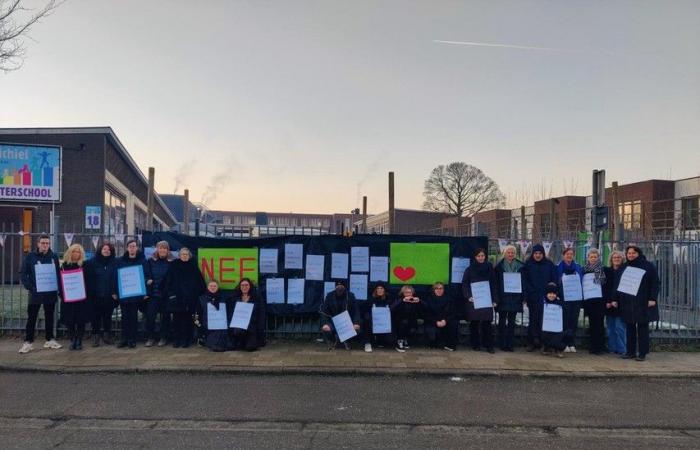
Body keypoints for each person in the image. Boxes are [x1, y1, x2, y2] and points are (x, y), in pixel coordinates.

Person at [19, 234, 62, 354]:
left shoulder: (53, 257)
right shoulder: (30, 257)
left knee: (49, 317)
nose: (45, 245)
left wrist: (58, 287)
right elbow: (23, 273)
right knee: (32, 317)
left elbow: (58, 273)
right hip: (35, 293)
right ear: (38, 244)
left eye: (47, 243)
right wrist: (30, 287)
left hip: (50, 292)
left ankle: (49, 339)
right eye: (43, 243)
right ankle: (28, 342)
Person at [617, 245, 660, 361]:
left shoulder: (648, 266)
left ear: (638, 254)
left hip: (643, 302)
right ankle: (630, 352)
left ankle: (642, 353)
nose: (630, 255)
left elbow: (655, 283)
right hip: (628, 302)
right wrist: (616, 299)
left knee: (642, 328)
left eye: (633, 253)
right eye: (629, 253)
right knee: (629, 328)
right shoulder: (624, 267)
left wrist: (653, 298)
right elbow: (618, 283)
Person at [163, 247, 206, 348]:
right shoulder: (174, 265)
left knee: (188, 320)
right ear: (179, 255)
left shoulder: (193, 266)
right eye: (182, 254)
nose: (184, 256)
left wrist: (195, 295)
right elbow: (168, 281)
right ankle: (176, 340)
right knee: (177, 320)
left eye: (186, 254)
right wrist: (171, 295)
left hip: (190, 299)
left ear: (189, 255)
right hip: (177, 298)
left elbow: (200, 283)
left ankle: (187, 340)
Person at [113, 239, 151, 349]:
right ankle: (124, 338)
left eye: (134, 246)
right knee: (124, 317)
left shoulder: (142, 261)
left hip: (136, 294)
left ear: (137, 248)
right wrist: (115, 291)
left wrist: (146, 291)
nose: (132, 248)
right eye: (130, 246)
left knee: (133, 317)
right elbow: (116, 277)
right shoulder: (120, 261)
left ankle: (132, 339)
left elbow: (147, 275)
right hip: (124, 294)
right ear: (127, 248)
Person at [523, 243, 557, 352]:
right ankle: (531, 342)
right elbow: (524, 281)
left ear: (543, 254)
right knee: (533, 319)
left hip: (546, 297)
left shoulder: (549, 264)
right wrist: (529, 292)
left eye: (540, 253)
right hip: (533, 296)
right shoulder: (528, 265)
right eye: (536, 253)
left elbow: (553, 280)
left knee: (545, 320)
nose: (538, 255)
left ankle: (544, 343)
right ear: (533, 254)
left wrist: (550, 293)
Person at [462, 248, 497, 353]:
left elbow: (494, 284)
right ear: (475, 257)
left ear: (485, 256)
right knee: (474, 323)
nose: (481, 258)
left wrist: (495, 299)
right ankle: (475, 344)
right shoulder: (469, 269)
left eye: (482, 256)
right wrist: (468, 296)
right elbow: (465, 284)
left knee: (487, 323)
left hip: (487, 299)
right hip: (474, 299)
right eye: (478, 256)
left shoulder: (490, 268)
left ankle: (488, 345)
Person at [59, 244, 91, 350]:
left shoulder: (85, 266)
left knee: (80, 320)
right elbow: (60, 281)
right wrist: (62, 294)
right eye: (74, 251)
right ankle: (72, 339)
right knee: (69, 320)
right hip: (68, 298)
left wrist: (86, 293)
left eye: (78, 252)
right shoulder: (64, 266)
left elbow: (88, 281)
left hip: (81, 298)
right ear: (69, 252)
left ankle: (79, 340)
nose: (76, 254)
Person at [494, 245, 525, 352]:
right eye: (509, 252)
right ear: (505, 253)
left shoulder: (521, 266)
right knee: (502, 321)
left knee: (512, 322)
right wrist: (496, 298)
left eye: (512, 253)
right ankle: (502, 343)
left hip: (515, 297)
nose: (511, 254)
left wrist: (523, 296)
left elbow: (524, 282)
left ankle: (510, 344)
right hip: (503, 297)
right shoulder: (499, 267)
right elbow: (496, 283)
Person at [87, 242, 117, 346]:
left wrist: (115, 292)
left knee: (107, 316)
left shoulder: (114, 262)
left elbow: (116, 278)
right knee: (96, 317)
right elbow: (89, 278)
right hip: (96, 295)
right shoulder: (92, 262)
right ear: (100, 250)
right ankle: (96, 336)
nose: (106, 251)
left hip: (110, 295)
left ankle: (106, 336)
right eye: (104, 249)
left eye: (109, 249)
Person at [145, 241, 173, 347]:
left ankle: (163, 337)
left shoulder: (172, 262)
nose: (162, 250)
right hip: (153, 294)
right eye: (160, 248)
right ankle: (150, 337)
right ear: (157, 249)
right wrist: (147, 280)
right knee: (150, 317)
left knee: (165, 317)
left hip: (166, 295)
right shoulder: (150, 261)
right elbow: (146, 275)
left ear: (168, 250)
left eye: (165, 248)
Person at [319, 281, 360, 350]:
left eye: (341, 285)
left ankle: (347, 341)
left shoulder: (351, 296)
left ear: (345, 287)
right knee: (325, 328)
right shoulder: (329, 296)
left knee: (356, 328)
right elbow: (324, 312)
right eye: (338, 285)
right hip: (333, 322)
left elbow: (356, 311)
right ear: (335, 287)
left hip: (347, 323)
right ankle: (332, 341)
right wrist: (325, 323)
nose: (339, 287)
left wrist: (356, 322)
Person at [557, 247, 583, 353]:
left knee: (573, 321)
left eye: (571, 254)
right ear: (563, 255)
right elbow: (555, 281)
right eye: (567, 254)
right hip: (563, 298)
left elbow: (582, 281)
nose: (569, 256)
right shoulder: (558, 267)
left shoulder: (578, 267)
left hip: (575, 298)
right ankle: (564, 343)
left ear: (573, 256)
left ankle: (571, 342)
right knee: (564, 321)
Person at [582, 248, 608, 355]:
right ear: (588, 258)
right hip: (589, 300)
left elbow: (603, 284)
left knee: (600, 324)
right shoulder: (584, 269)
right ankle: (592, 347)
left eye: (595, 257)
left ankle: (600, 347)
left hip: (600, 300)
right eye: (591, 257)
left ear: (598, 258)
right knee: (592, 324)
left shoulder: (602, 269)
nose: (593, 258)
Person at [230, 278, 266, 351]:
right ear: (240, 287)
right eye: (242, 285)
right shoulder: (235, 298)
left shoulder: (256, 298)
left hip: (252, 326)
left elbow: (261, 314)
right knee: (236, 345)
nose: (244, 287)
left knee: (250, 348)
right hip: (239, 327)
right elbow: (231, 313)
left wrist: (260, 328)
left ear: (250, 286)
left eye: (246, 285)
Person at [195, 280, 232, 352]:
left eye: (215, 286)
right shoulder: (201, 299)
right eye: (211, 286)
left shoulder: (223, 298)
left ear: (218, 287)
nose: (213, 287)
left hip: (222, 327)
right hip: (208, 327)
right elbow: (197, 315)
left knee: (228, 344)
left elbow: (229, 312)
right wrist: (200, 327)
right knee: (215, 344)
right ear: (207, 287)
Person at [422, 282, 458, 351]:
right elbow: (426, 315)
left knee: (454, 323)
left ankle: (450, 344)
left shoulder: (449, 299)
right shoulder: (428, 300)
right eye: (437, 288)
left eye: (441, 288)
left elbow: (452, 313)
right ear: (434, 290)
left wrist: (445, 320)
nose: (439, 290)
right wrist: (436, 322)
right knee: (432, 334)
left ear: (444, 289)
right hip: (433, 321)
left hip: (445, 321)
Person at [605, 250, 627, 355]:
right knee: (610, 328)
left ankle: (623, 349)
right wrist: (608, 301)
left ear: (622, 259)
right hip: (609, 304)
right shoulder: (607, 271)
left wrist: (616, 300)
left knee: (620, 327)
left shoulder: (625, 271)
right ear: (611, 260)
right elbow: (605, 288)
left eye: (618, 257)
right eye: (614, 257)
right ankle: (612, 348)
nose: (616, 259)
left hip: (621, 303)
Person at [361, 283, 394, 353]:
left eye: (381, 288)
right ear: (375, 290)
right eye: (378, 289)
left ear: (384, 290)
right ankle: (367, 343)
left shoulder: (388, 299)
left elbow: (392, 309)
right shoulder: (370, 299)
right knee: (366, 321)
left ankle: (381, 340)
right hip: (373, 320)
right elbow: (364, 310)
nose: (380, 290)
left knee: (390, 342)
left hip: (384, 321)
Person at [391, 285, 422, 352]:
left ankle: (405, 339)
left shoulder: (414, 300)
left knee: (412, 328)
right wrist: (402, 301)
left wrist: (419, 301)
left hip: (412, 320)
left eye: (410, 292)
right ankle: (400, 341)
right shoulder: (399, 299)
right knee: (404, 323)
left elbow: (424, 309)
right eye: (406, 292)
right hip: (399, 320)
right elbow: (392, 308)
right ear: (403, 293)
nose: (408, 294)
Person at [541, 282, 565, 358]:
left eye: (554, 293)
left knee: (558, 333)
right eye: (550, 293)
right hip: (545, 327)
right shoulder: (542, 303)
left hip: (556, 327)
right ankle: (546, 347)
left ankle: (557, 349)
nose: (552, 295)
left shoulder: (559, 304)